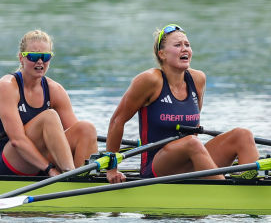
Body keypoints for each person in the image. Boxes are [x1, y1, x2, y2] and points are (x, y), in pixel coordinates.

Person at [104, 24, 258, 183]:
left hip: (189, 158)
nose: (185, 49)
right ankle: (225, 193)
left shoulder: (198, 79)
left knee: (243, 135)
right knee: (192, 143)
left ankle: (250, 186)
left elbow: (194, 129)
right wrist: (112, 169)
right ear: (162, 54)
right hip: (156, 167)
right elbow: (117, 120)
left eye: (187, 45)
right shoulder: (149, 80)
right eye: (177, 45)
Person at [0, 30, 98, 176]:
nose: (40, 61)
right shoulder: (7, 86)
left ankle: (83, 178)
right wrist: (49, 169)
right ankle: (70, 176)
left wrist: (110, 168)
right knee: (49, 117)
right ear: (21, 58)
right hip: (3, 163)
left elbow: (73, 137)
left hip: (39, 161)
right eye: (33, 56)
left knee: (86, 129)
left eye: (45, 57)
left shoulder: (55, 90)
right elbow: (17, 141)